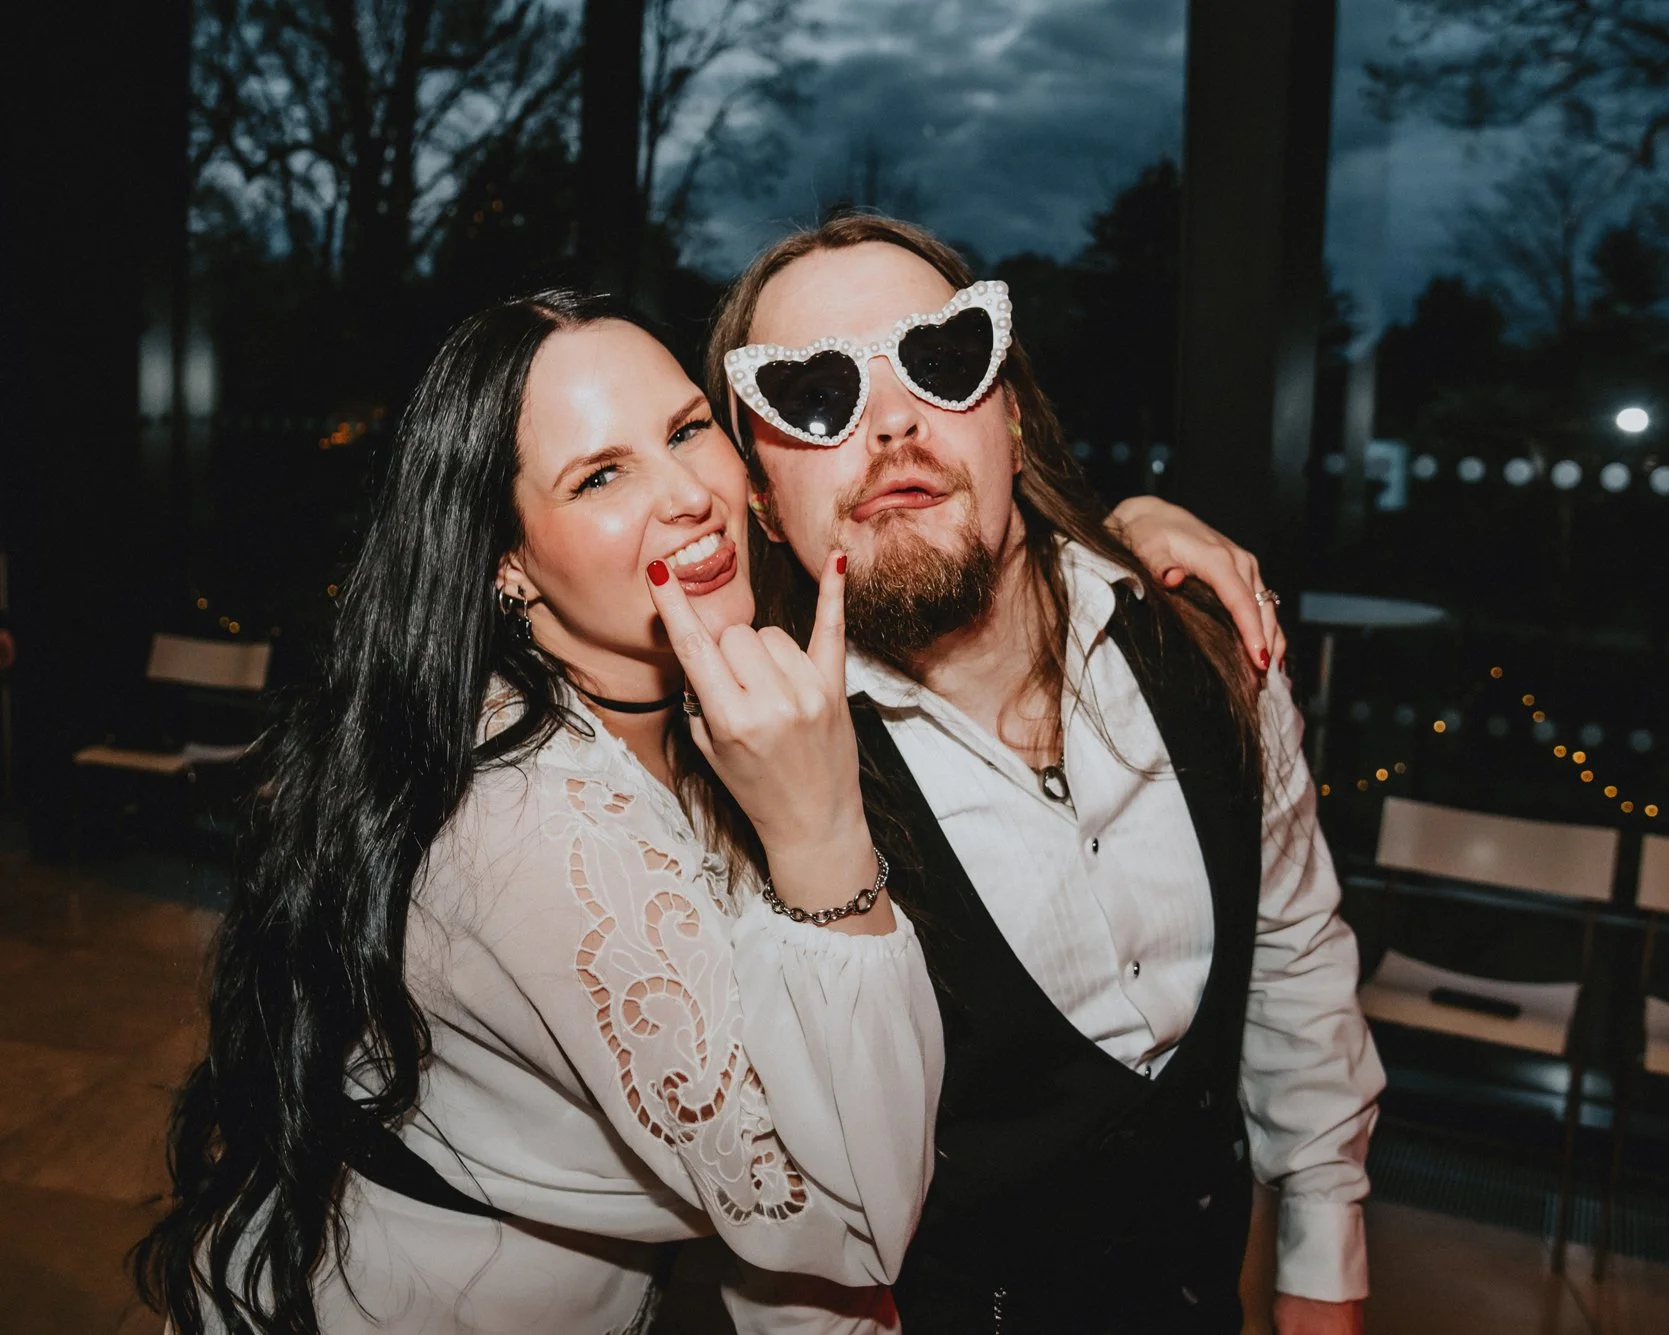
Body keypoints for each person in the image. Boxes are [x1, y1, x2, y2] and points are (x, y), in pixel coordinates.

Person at [134, 287, 1279, 1335]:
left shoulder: (690, 675)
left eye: (687, 431)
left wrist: (1119, 532)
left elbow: (914, 539)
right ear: (504, 563)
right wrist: (821, 830)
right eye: (599, 476)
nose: (687, 495)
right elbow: (850, 1226)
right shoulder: (532, 820)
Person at [710, 216, 1386, 1334]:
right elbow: (795, 1229)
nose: (890, 423)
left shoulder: (1210, 645)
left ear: (1010, 425)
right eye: (812, 395)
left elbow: (1295, 957)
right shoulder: (752, 788)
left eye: (939, 359)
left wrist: (1322, 1257)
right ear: (759, 495)